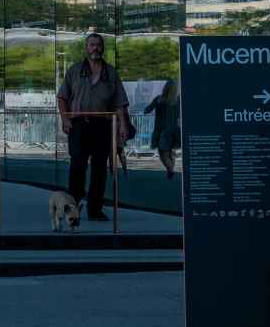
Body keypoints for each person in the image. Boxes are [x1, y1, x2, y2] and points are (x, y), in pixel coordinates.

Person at [56, 32, 132, 222]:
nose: (95, 48)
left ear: (102, 48)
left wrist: (123, 125)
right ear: (86, 48)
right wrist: (65, 120)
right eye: (92, 45)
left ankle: (95, 210)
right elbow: (62, 97)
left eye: (98, 45)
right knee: (77, 167)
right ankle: (73, 208)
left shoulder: (111, 72)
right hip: (79, 125)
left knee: (99, 169)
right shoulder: (74, 70)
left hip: (102, 126)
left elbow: (120, 102)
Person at [144, 78, 181, 179]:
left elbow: (147, 109)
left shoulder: (159, 99)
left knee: (162, 153)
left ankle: (170, 169)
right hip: (175, 130)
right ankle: (171, 170)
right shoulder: (178, 101)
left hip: (162, 131)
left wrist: (145, 110)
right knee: (170, 152)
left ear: (165, 88)